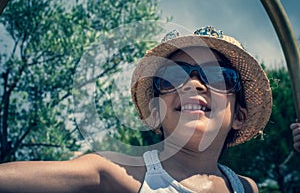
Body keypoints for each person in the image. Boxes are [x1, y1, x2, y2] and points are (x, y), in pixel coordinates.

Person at [0, 26, 272, 193]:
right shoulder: (114, 172)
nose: (193, 83)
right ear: (155, 113)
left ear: (239, 116)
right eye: (172, 77)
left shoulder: (246, 187)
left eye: (215, 76)